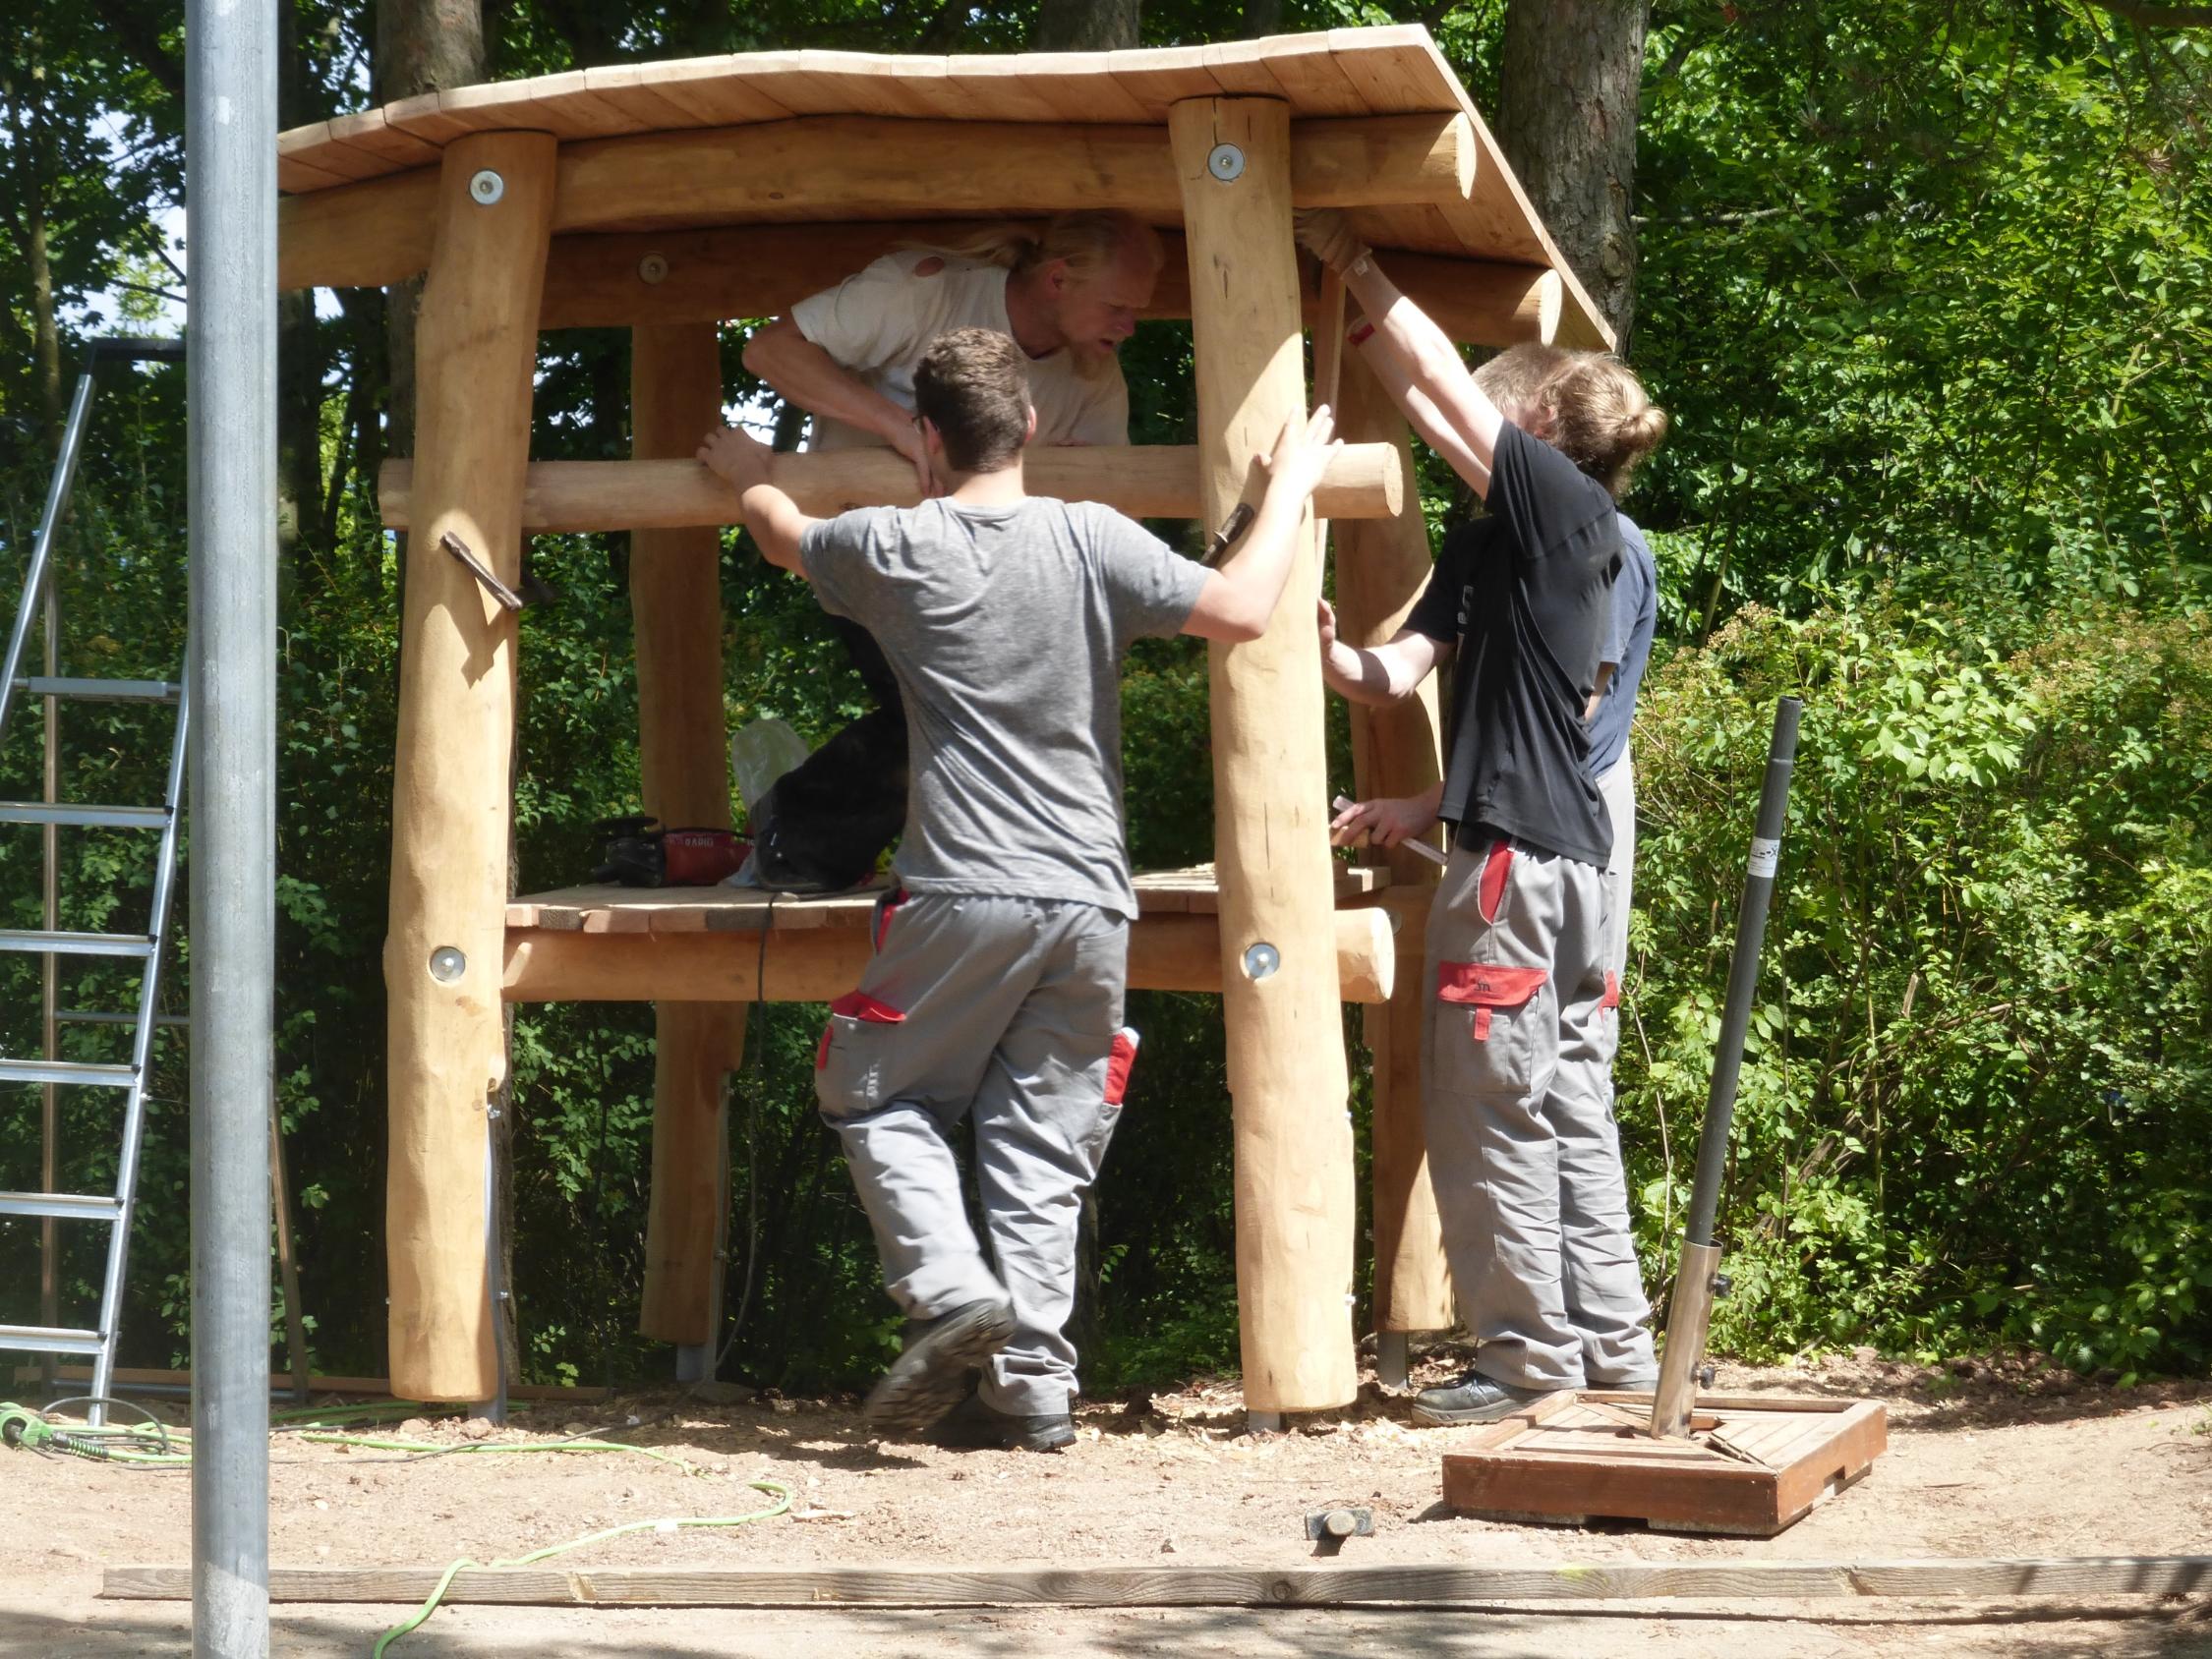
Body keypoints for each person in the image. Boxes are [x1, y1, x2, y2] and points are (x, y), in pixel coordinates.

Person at [699, 327, 1338, 1451]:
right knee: (1043, 1140)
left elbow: (778, 533)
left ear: (928, 439)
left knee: (874, 1092)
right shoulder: (1095, 539)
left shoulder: (893, 546)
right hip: (1093, 901)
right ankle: (1032, 1388)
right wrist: (1291, 486)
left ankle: (949, 1288)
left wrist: (747, 465)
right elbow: (1242, 609)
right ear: (1032, 424)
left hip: (960, 891)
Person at [1297, 209, 1668, 1425]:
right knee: (1563, 1097)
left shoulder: (1571, 518)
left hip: (1517, 871)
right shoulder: (1495, 547)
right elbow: (1394, 673)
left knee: (1488, 1106)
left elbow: (1448, 399)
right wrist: (1332, 656)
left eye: (1491, 442)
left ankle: (1523, 1357)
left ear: (1541, 438)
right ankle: (1612, 1347)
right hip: (1552, 859)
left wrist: (1359, 271)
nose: (1465, 452)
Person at [736, 213, 1166, 887]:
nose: (1130, 326)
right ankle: (793, 845)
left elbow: (1117, 504)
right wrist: (900, 430)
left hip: (990, 582)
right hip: (871, 556)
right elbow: (769, 351)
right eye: (1118, 305)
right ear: (1057, 279)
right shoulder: (927, 290)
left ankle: (820, 850)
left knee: (984, 714)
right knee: (936, 711)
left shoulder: (1094, 377)